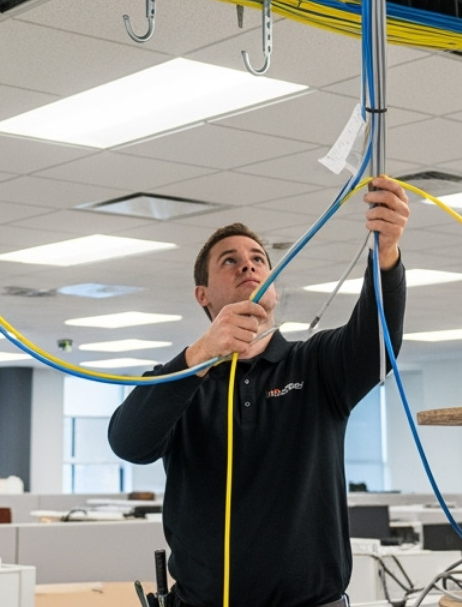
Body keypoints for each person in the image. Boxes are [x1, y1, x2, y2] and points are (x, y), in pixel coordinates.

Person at [108, 176, 411, 607]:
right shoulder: (178, 381)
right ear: (203, 295)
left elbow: (377, 344)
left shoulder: (317, 364)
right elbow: (129, 443)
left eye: (258, 259)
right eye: (229, 261)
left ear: (275, 285)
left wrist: (385, 256)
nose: (247, 266)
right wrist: (198, 357)